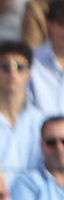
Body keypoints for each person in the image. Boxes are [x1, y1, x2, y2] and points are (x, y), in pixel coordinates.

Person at [0, 39, 45, 180]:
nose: (12, 73)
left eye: (20, 67)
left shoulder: (41, 121)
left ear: (29, 74)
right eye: (6, 67)